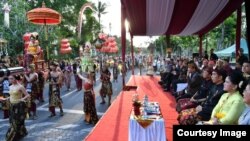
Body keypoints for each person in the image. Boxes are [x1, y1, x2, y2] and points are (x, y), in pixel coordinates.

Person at [0, 74, 30, 141]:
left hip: (18, 106)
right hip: (12, 105)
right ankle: (20, 133)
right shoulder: (10, 86)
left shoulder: (20, 87)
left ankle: (14, 136)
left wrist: (22, 99)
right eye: (9, 79)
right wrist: (5, 99)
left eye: (11, 79)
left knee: (17, 121)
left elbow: (27, 95)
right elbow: (11, 96)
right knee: (12, 121)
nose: (10, 80)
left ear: (15, 79)